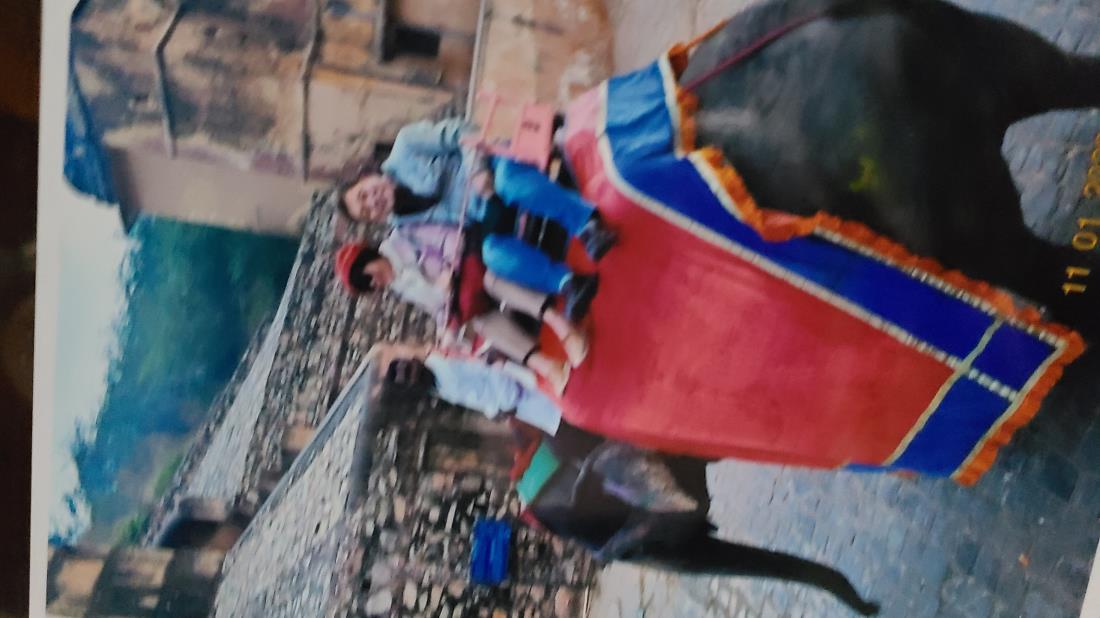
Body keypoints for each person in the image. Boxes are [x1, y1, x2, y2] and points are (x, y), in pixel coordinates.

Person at [337, 117, 613, 315]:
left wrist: (478, 169)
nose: (373, 202)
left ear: (367, 177)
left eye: (364, 194)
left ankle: (586, 225)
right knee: (494, 256)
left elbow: (462, 130)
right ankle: (568, 283)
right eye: (368, 212)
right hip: (482, 213)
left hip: (492, 166)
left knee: (512, 186)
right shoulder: (402, 223)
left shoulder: (406, 145)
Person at [336, 239, 588, 385]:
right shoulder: (399, 288)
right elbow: (435, 307)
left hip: (470, 269)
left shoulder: (404, 239)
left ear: (368, 259)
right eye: (370, 286)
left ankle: (564, 328)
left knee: (490, 282)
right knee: (481, 323)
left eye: (368, 277)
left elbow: (449, 237)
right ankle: (547, 366)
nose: (375, 283)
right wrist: (444, 326)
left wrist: (447, 272)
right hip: (464, 303)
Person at [370, 342, 564, 435]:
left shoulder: (444, 364)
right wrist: (494, 411)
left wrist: (503, 406)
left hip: (531, 390)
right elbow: (479, 398)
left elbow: (489, 367)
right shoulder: (437, 385)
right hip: (529, 408)